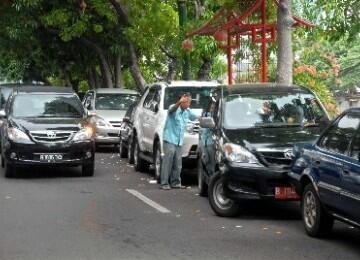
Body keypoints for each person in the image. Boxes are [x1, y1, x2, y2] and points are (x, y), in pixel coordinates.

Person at [160, 93, 198, 190]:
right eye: (187, 102)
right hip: (169, 139)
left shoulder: (187, 112)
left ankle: (175, 182)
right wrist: (179, 102)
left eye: (189, 102)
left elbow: (196, 117)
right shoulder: (174, 107)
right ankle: (164, 183)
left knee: (178, 163)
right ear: (182, 101)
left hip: (178, 141)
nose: (188, 104)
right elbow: (171, 110)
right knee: (168, 160)